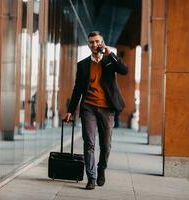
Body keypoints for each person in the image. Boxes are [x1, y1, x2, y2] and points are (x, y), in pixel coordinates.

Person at [64, 31, 128, 190]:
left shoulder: (109, 61)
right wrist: (70, 110)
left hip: (107, 109)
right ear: (88, 44)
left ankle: (101, 169)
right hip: (89, 108)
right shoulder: (83, 65)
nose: (94, 45)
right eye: (91, 42)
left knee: (106, 145)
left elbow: (124, 70)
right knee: (89, 143)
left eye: (97, 41)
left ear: (102, 42)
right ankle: (91, 177)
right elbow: (77, 89)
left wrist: (110, 53)